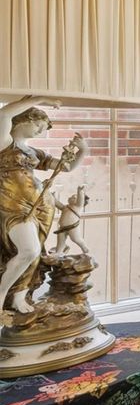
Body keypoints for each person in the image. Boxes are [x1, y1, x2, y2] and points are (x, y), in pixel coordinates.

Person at [0, 96, 87, 315]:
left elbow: (65, 167)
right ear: (23, 120)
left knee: (35, 254)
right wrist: (39, 97)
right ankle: (2, 294)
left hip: (41, 206)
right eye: (38, 125)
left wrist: (82, 151)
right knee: (28, 250)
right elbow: (3, 114)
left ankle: (19, 296)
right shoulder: (4, 144)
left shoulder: (33, 152)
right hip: (13, 205)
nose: (41, 130)